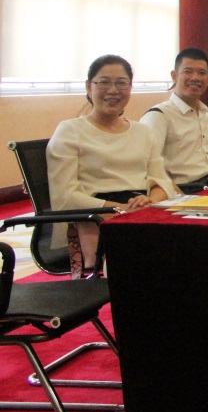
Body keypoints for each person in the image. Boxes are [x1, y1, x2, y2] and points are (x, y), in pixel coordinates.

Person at [48, 55, 176, 271]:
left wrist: (148, 201)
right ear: (89, 87)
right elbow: (65, 195)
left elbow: (161, 180)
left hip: (140, 212)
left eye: (121, 83)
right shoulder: (70, 131)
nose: (113, 90)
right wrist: (119, 210)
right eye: (104, 82)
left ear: (130, 87)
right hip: (95, 217)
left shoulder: (143, 132)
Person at [141, 48, 208, 192]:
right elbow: (148, 169)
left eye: (202, 73)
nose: (195, 78)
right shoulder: (158, 116)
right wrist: (179, 196)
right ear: (174, 76)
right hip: (183, 191)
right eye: (188, 71)